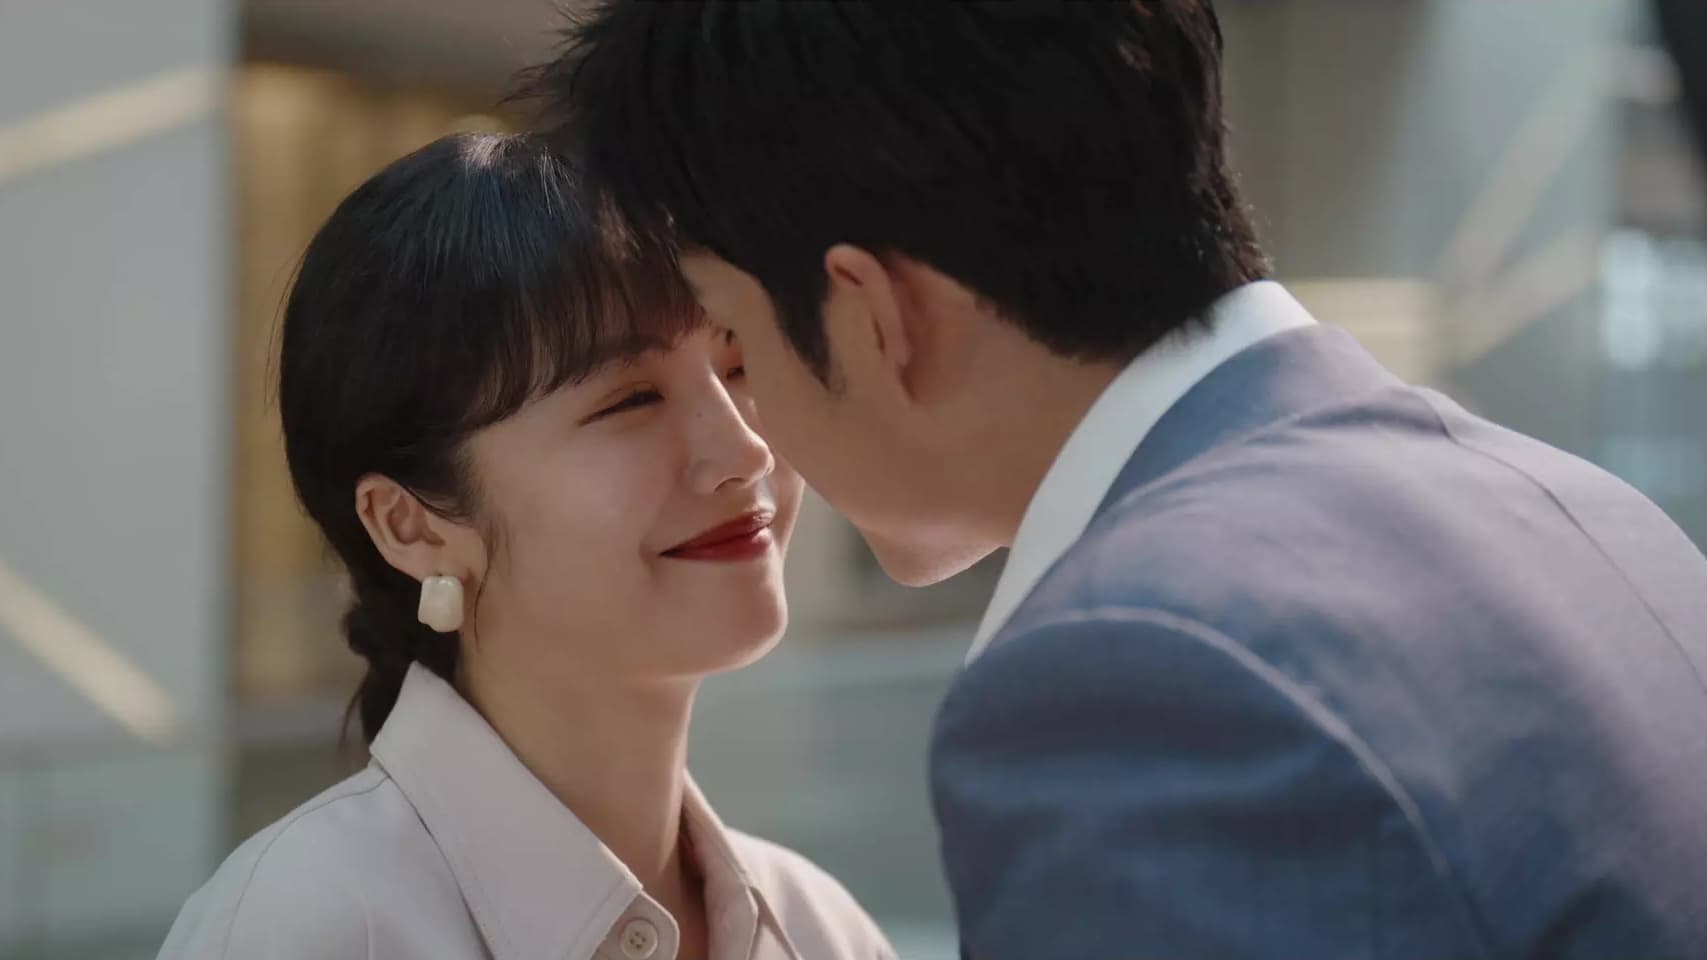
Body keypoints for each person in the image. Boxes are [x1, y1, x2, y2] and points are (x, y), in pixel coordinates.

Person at [525, 2, 1707, 957]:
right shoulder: (1592, 516)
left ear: (875, 313)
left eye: (738, 347)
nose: (750, 435)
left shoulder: (1133, 671)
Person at [157, 133, 895, 960]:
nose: (744, 451)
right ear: (412, 525)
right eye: (631, 400)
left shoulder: (819, 929)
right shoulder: (312, 928)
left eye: (739, 366)